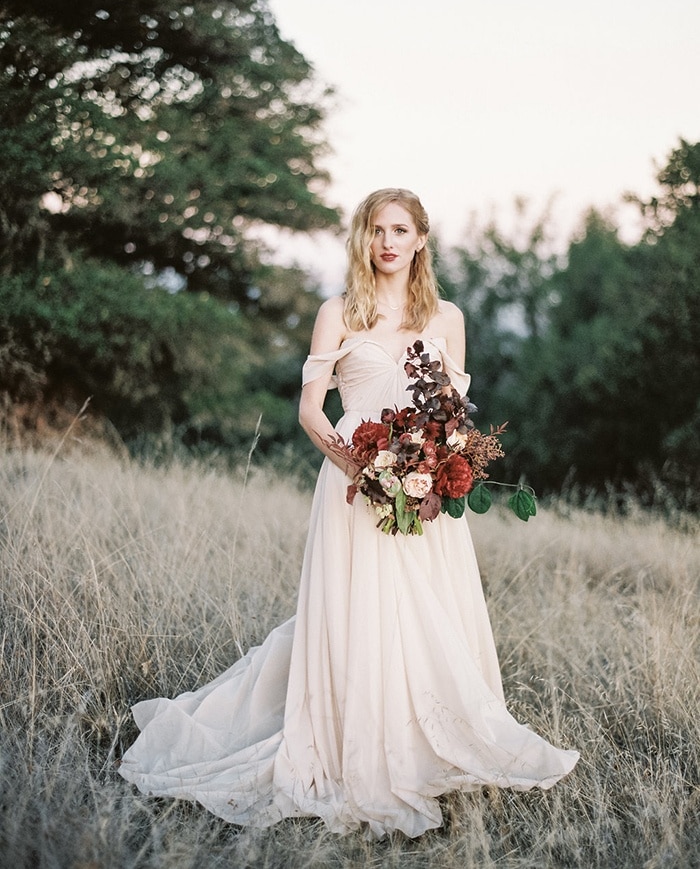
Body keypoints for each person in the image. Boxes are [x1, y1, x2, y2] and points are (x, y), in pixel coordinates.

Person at [119, 188, 579, 839]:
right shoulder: (338, 311)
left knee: (425, 614)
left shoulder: (447, 317)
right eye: (375, 229)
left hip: (422, 488)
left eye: (399, 229)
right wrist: (351, 464)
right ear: (362, 240)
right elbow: (310, 409)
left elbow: (453, 411)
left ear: (421, 238)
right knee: (357, 613)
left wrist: (444, 460)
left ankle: (427, 741)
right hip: (353, 485)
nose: (386, 241)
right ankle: (351, 748)